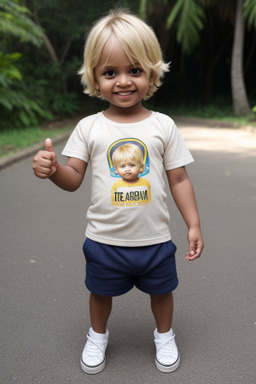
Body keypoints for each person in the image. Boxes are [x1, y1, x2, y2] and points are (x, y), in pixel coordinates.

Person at [33, 8, 204, 375]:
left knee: (162, 291)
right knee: (99, 292)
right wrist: (52, 171)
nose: (123, 81)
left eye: (135, 71)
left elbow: (179, 179)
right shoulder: (88, 128)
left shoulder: (163, 126)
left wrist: (193, 223)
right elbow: (73, 177)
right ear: (94, 77)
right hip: (104, 239)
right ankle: (97, 335)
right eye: (110, 72)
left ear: (152, 73)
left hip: (155, 239)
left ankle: (164, 335)